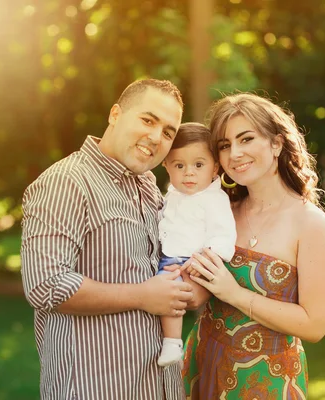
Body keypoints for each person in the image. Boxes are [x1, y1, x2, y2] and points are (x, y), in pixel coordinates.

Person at [20, 79, 196, 400]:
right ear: (115, 114)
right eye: (148, 120)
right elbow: (45, 284)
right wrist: (142, 296)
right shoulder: (66, 182)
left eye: (168, 132)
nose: (156, 137)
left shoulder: (147, 186)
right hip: (96, 387)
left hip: (156, 386)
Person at [181, 93, 325, 399]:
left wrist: (235, 293)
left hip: (265, 380)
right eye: (225, 146)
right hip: (201, 364)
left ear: (277, 144)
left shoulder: (310, 223)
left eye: (246, 139)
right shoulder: (222, 211)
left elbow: (315, 325)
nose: (235, 153)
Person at [156, 122, 237, 367]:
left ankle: (172, 343)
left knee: (172, 294)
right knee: (163, 292)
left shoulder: (214, 199)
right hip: (167, 257)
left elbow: (223, 237)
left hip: (189, 262)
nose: (189, 173)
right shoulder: (172, 194)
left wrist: (201, 261)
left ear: (215, 168)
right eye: (179, 165)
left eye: (198, 165)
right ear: (166, 166)